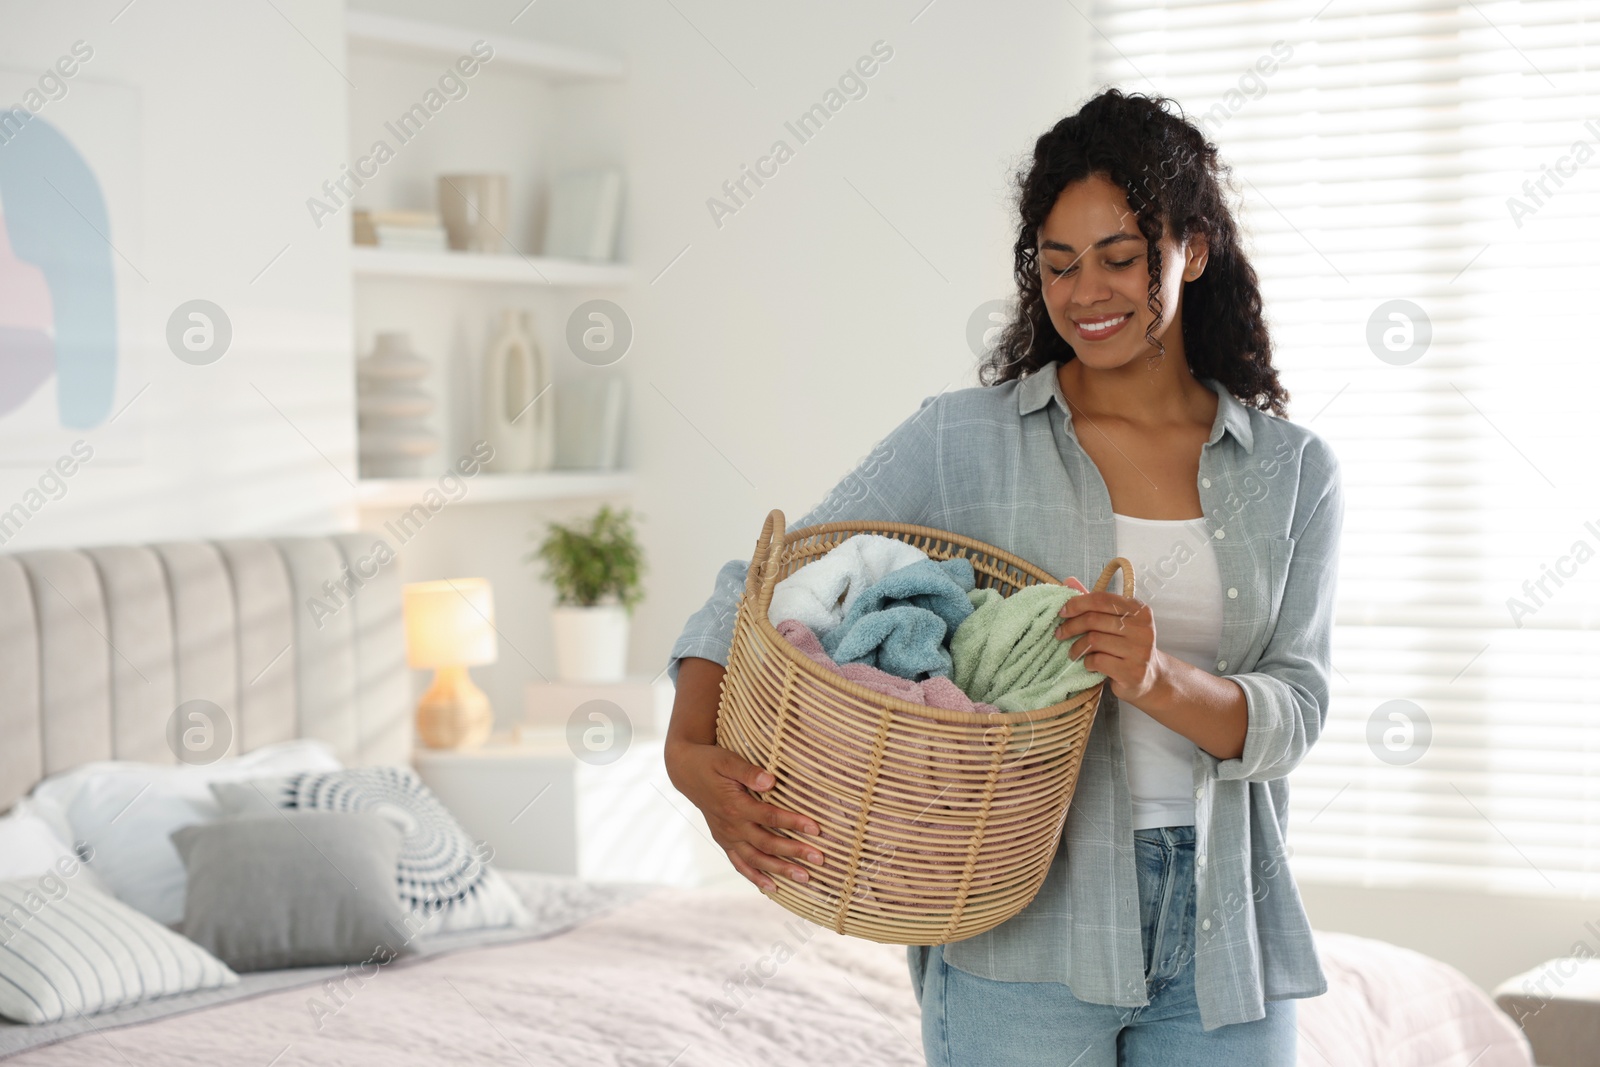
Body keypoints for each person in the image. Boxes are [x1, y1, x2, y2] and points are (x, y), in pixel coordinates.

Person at [662, 87, 1343, 1066]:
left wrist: (1156, 680)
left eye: (1118, 258)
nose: (1086, 293)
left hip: (1223, 936)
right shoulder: (962, 441)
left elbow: (1298, 707)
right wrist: (689, 755)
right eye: (1058, 265)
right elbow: (766, 574)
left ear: (1190, 250)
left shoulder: (1291, 471)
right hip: (1018, 922)